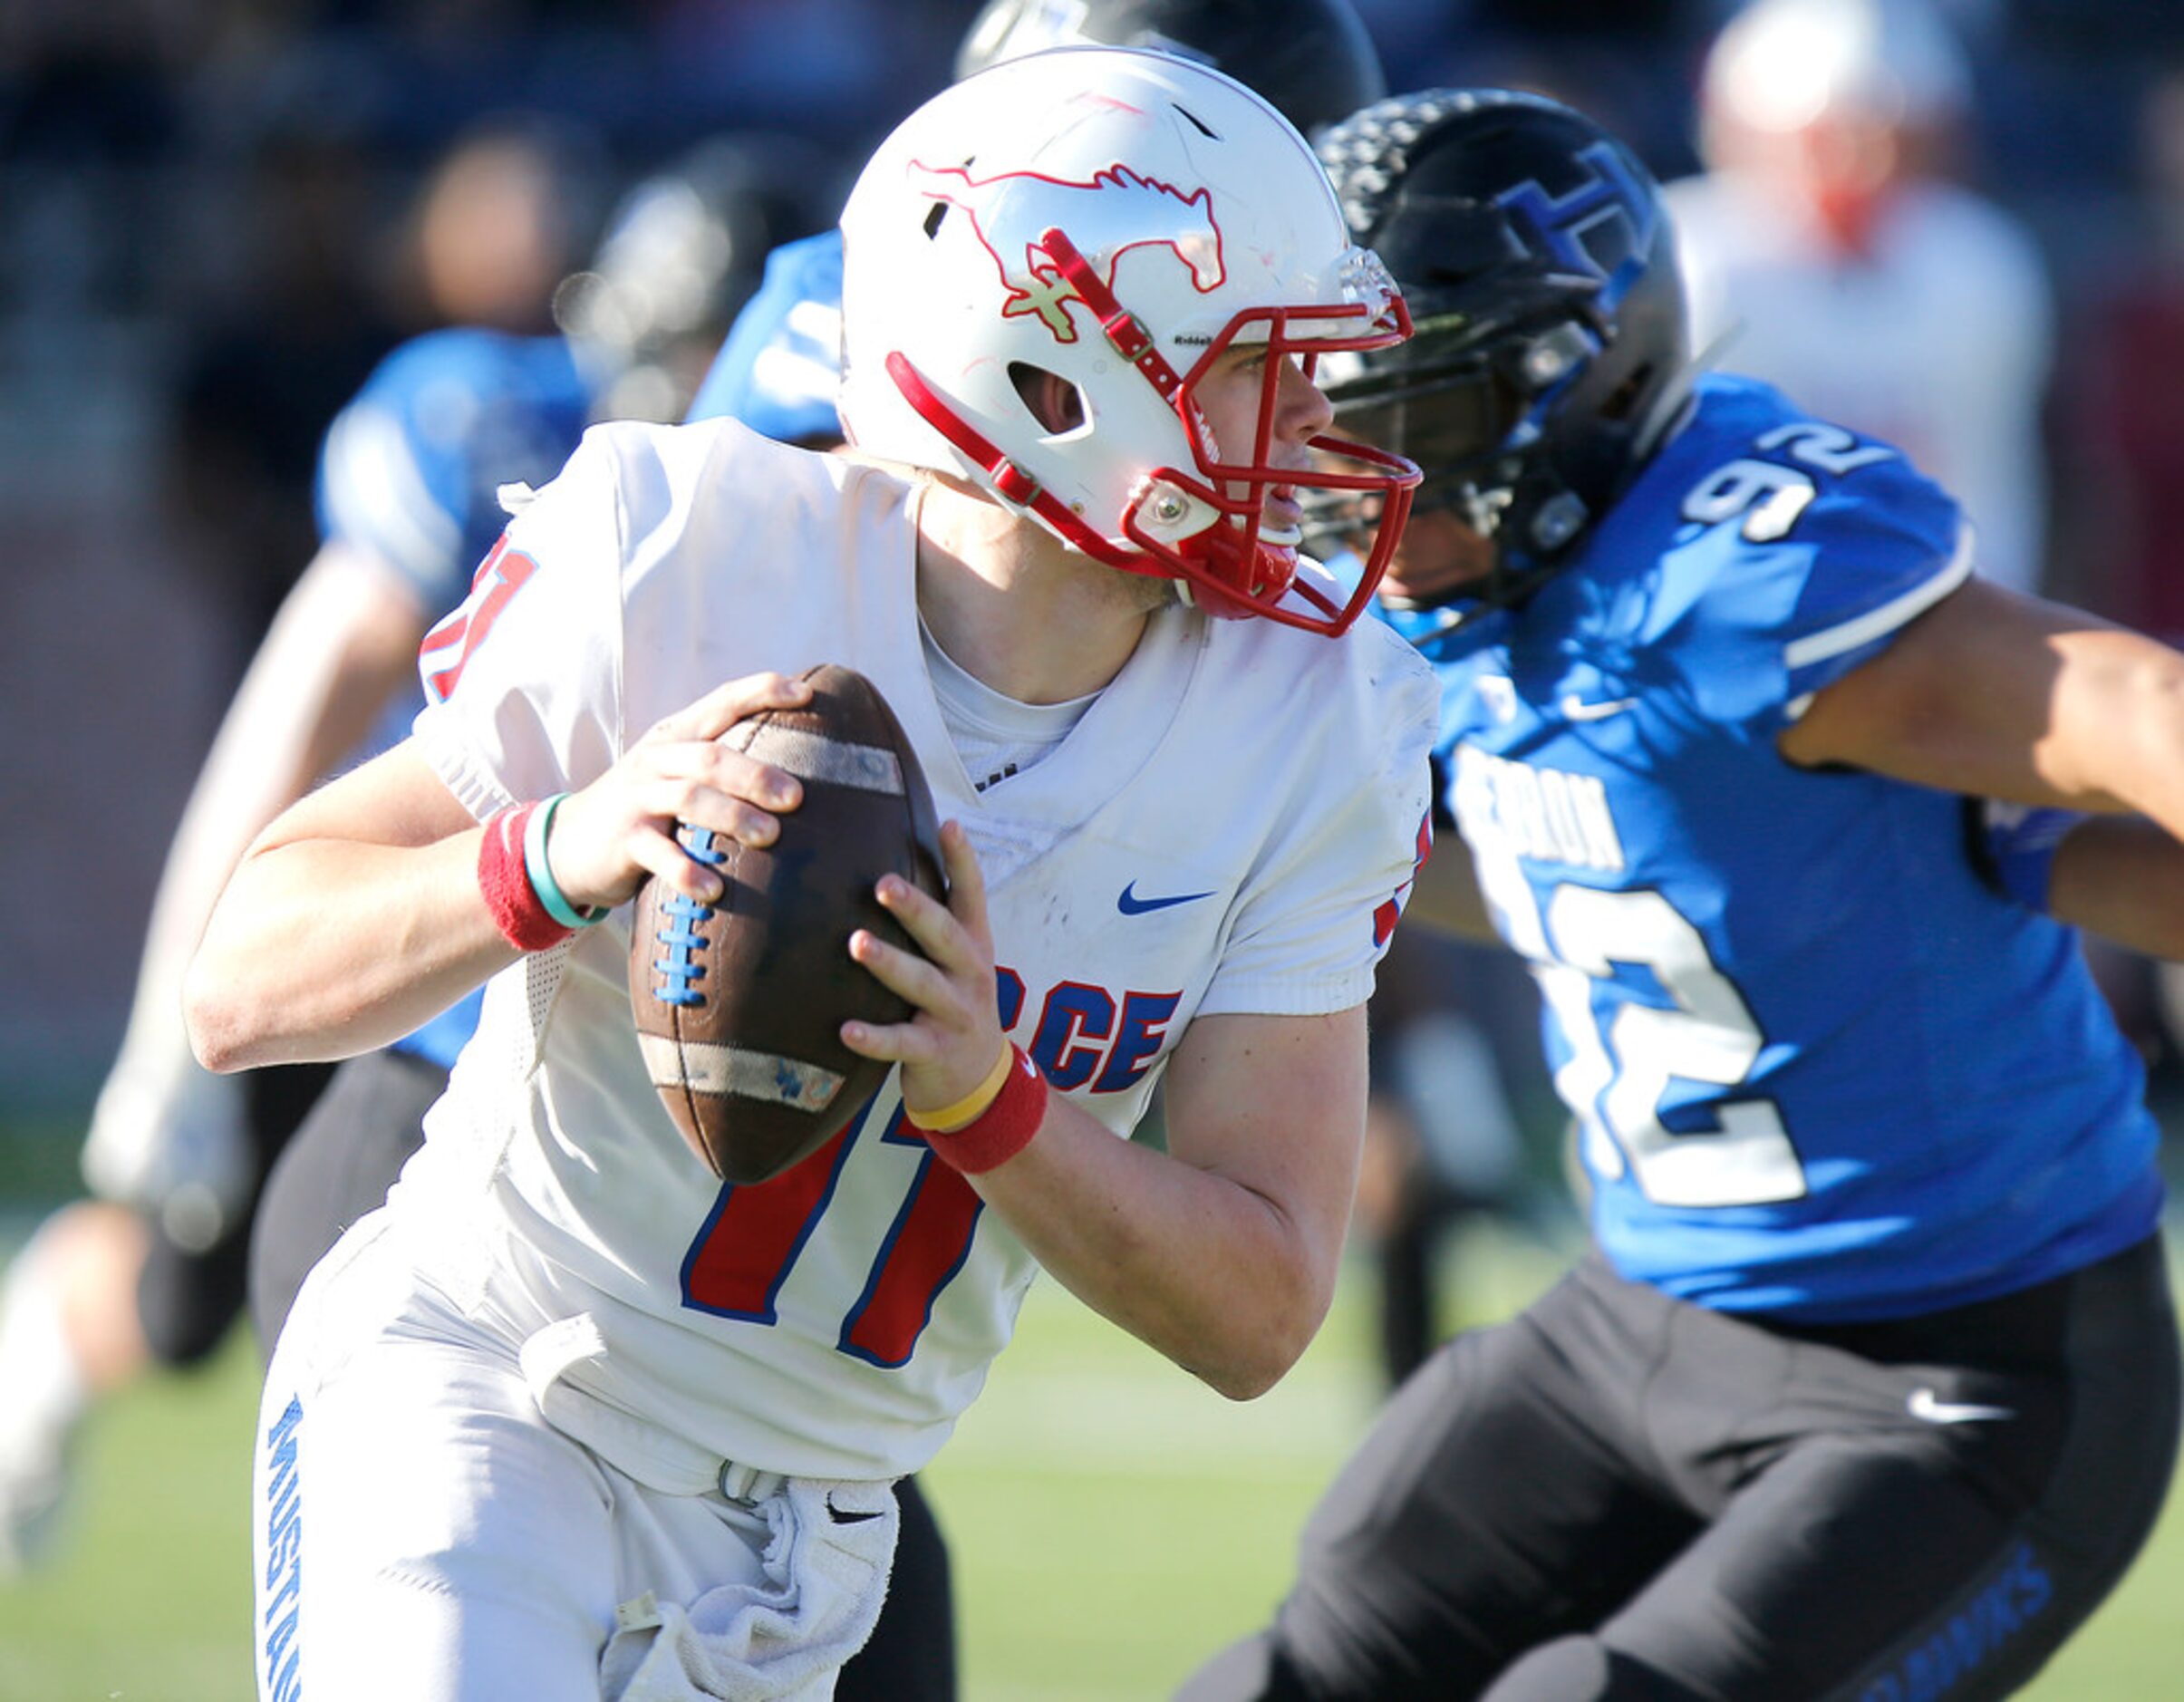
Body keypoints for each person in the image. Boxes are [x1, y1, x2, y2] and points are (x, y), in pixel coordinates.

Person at [185, 45, 1436, 1702]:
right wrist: (563, 846)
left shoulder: (1313, 716)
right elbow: (241, 981)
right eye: (1241, 374)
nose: (1304, 429)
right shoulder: (685, 541)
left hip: (813, 1537)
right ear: (1049, 377)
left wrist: (992, 1098)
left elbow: (1259, 1303)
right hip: (492, 1390)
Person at [1179, 87, 2182, 1701]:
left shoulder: (1733, 574)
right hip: (1644, 1314)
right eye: (1318, 424)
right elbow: (1572, 870)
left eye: (1401, 423)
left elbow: (2133, 710)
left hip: (1969, 1371)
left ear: (1568, 384)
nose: (1354, 485)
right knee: (1285, 1676)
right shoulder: (1456, 581)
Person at [0, 128, 797, 1579]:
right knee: (187, 1285)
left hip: (613, 1036)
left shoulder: (840, 521)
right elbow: (292, 721)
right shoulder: (503, 431)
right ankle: (42, 1333)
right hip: (404, 952)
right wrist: (157, 1049)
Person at [1665, 0, 2054, 598]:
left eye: (1895, 139)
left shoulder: (1977, 264)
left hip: (1932, 613)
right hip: (1737, 612)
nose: (1865, 165)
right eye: (1829, 141)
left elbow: (1992, 488)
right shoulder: (1696, 262)